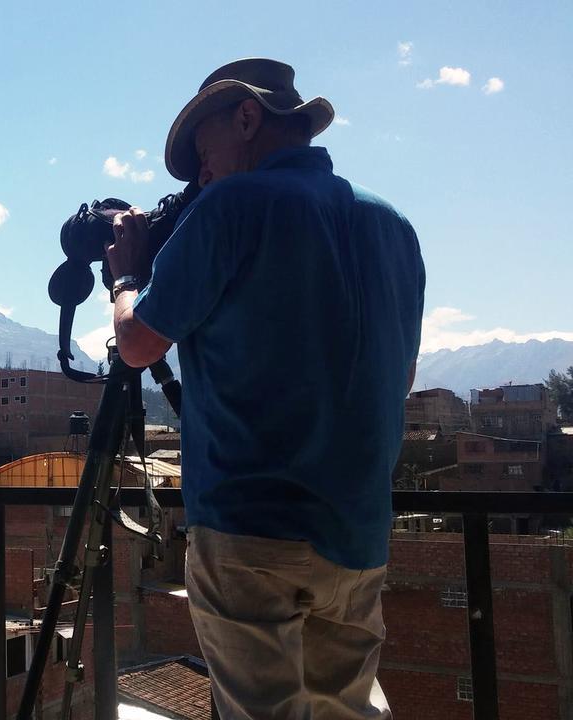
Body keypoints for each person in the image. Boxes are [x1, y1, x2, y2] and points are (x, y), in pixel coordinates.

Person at [106, 58, 424, 719]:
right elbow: (402, 376)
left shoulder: (233, 205)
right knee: (348, 709)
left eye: (204, 149)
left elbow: (138, 343)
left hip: (251, 532)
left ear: (247, 118)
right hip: (358, 535)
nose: (202, 174)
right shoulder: (393, 226)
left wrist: (127, 277)